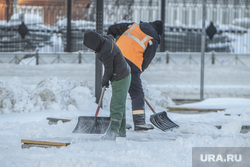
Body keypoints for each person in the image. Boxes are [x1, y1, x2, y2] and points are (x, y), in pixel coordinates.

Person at [107, 20, 164, 131]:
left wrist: (110, 42)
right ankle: (139, 123)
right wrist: (138, 72)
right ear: (159, 34)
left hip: (113, 58)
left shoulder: (133, 26)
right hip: (130, 64)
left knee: (119, 91)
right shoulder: (153, 39)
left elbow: (112, 28)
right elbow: (146, 60)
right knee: (137, 93)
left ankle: (118, 121)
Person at [83, 31, 131, 140]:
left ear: (95, 43)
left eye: (91, 47)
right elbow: (110, 36)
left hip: (121, 77)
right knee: (120, 104)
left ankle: (113, 132)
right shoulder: (105, 41)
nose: (90, 50)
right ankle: (121, 131)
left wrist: (104, 81)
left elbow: (109, 69)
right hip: (123, 74)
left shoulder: (106, 51)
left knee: (116, 105)